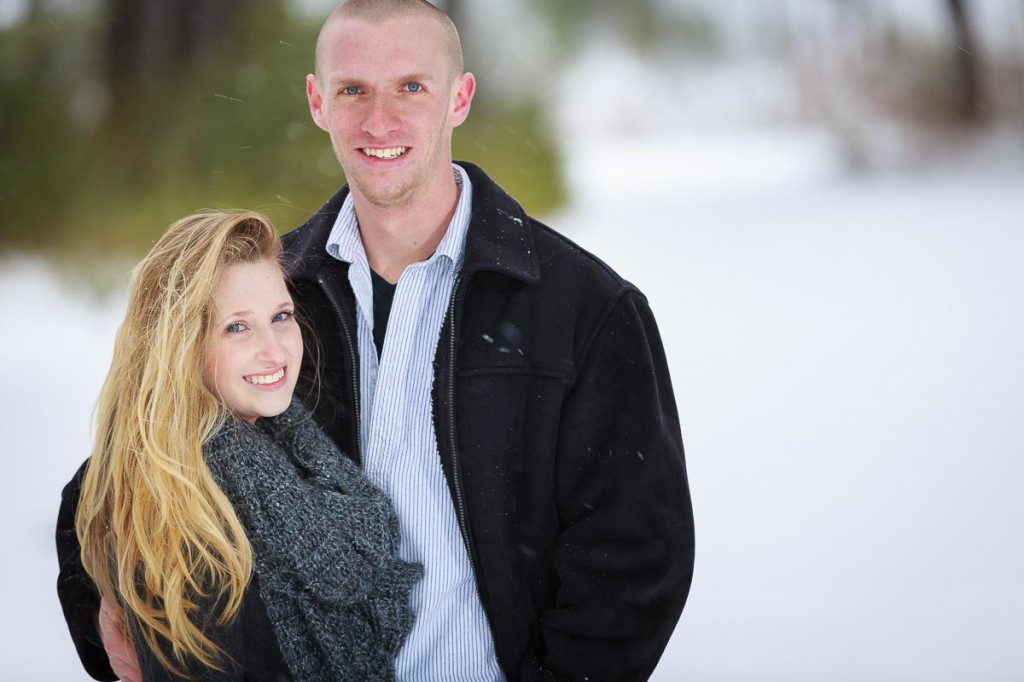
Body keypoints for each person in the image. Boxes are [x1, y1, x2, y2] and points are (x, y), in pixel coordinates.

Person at [57, 1, 696, 680]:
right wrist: (98, 604)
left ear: (460, 98)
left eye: (411, 87)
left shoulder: (583, 308)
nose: (379, 120)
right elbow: (125, 469)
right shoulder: (274, 299)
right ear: (317, 101)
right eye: (353, 89)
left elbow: (635, 558)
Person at [64, 210, 421, 681]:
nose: (274, 350)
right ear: (180, 344)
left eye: (281, 316)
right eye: (237, 327)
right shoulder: (192, 527)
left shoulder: (286, 444)